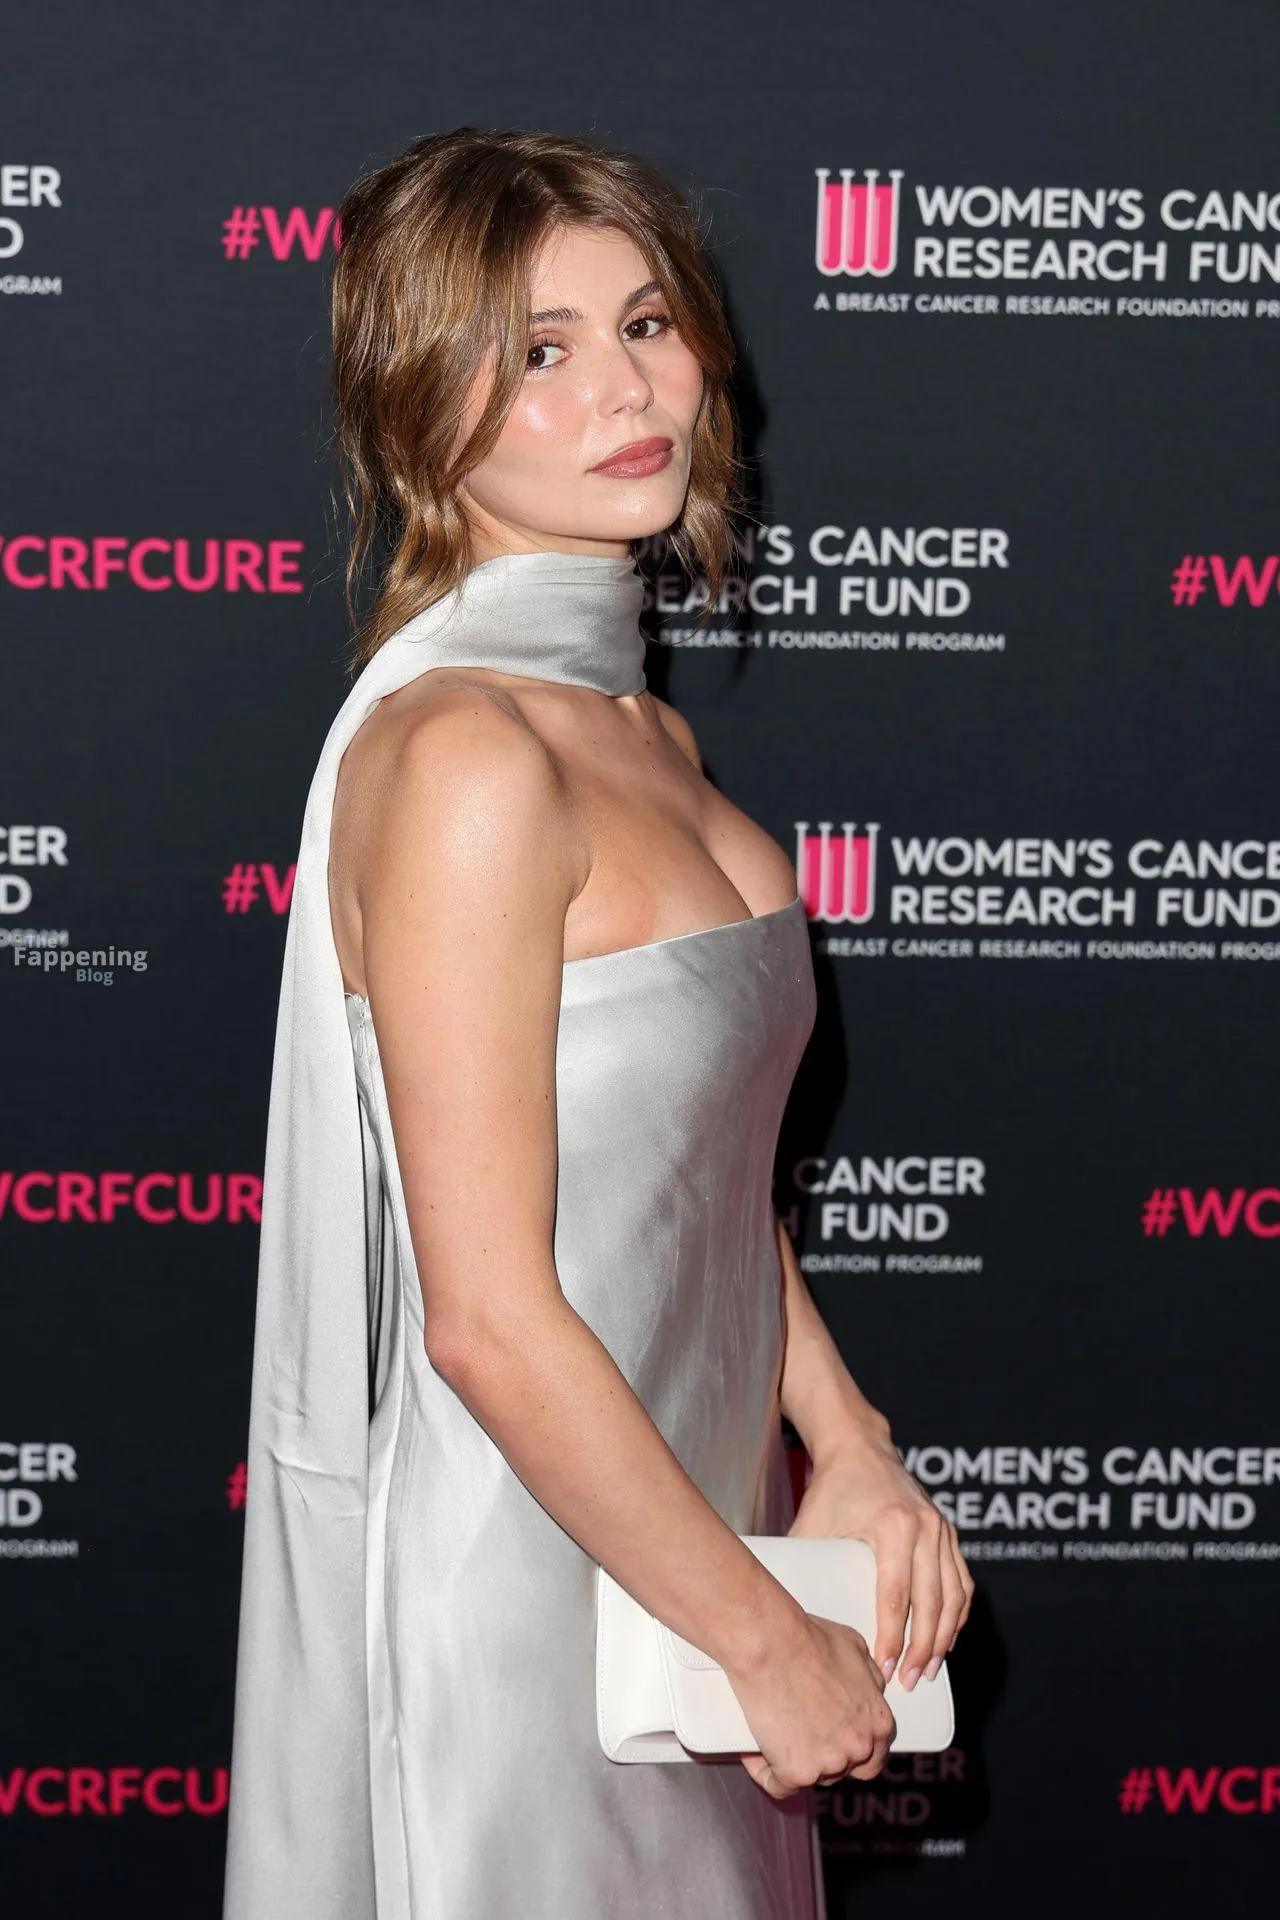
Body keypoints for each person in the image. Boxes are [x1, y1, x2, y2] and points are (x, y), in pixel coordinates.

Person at [222, 127, 973, 1920]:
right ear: (418, 413)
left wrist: (847, 1443)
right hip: (540, 1597)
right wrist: (757, 1637)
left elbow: (691, 1183)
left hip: (696, 1548)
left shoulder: (643, 733)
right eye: (539, 350)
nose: (628, 389)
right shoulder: (464, 758)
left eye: (646, 322)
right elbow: (485, 1318)